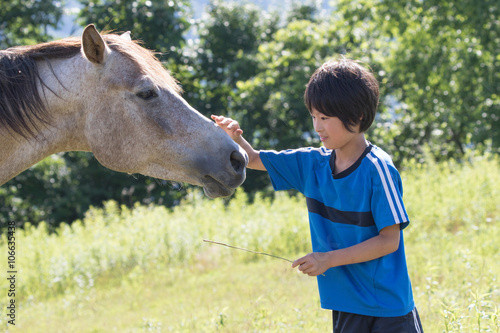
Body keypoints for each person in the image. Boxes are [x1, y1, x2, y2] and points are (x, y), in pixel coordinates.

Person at [211, 58, 423, 333]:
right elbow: (252, 158)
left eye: (325, 118)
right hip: (346, 304)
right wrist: (233, 138)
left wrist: (328, 259)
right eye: (314, 116)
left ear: (357, 116)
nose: (317, 126)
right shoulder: (312, 164)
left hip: (388, 307)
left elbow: (389, 241)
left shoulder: (377, 169)